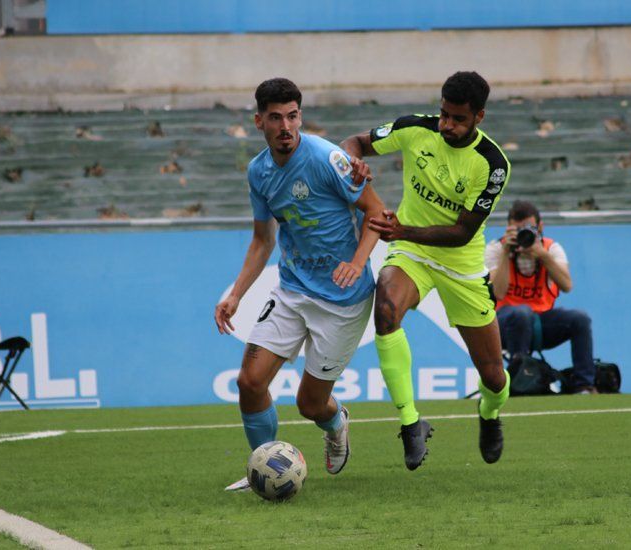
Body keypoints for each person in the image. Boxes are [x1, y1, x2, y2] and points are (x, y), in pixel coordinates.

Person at [215, 78, 385, 491]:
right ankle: (265, 467)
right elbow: (262, 240)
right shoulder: (258, 171)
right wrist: (235, 294)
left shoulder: (329, 159)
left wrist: (357, 261)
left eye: (292, 116)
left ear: (300, 117)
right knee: (250, 382)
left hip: (343, 300)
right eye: (276, 118)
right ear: (260, 122)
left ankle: (335, 422)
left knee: (310, 404)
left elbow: (376, 212)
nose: (285, 125)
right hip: (292, 289)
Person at [340, 71, 511, 470]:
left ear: (479, 117)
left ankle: (488, 414)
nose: (447, 125)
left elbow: (462, 232)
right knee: (385, 312)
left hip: (461, 264)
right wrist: (353, 163)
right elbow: (356, 142)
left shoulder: (492, 164)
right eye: (444, 115)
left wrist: (402, 228)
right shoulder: (415, 129)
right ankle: (410, 423)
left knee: (495, 377)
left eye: (458, 119)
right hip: (412, 250)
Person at [486, 200, 597, 394]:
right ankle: (520, 381)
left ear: (540, 227)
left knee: (580, 319)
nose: (523, 234)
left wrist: (543, 256)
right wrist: (506, 253)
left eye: (528, 229)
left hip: (541, 322)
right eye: (518, 230)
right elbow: (498, 293)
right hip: (504, 324)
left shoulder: (551, 248)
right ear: (509, 229)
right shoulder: (496, 248)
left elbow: (567, 285)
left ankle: (584, 385)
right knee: (521, 313)